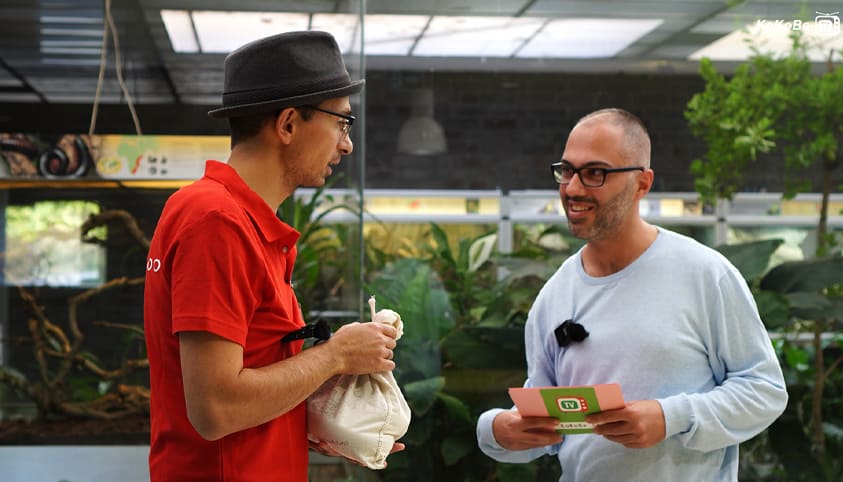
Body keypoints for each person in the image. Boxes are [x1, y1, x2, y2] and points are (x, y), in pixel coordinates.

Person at [143, 31, 402, 482]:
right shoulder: (216, 221)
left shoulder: (242, 222)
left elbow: (247, 384)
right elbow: (216, 409)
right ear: (287, 124)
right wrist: (336, 356)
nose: (347, 144)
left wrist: (330, 415)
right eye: (342, 122)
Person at [476, 108, 787, 481]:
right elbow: (546, 429)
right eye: (568, 171)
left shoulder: (704, 273)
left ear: (642, 183)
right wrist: (495, 430)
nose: (573, 188)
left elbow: (764, 391)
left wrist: (670, 418)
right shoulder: (553, 297)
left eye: (595, 173)